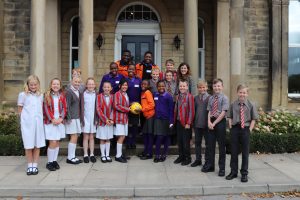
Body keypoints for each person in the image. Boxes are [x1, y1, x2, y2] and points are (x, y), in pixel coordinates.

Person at [226, 84, 258, 182]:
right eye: (240, 92)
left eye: (244, 92)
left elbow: (254, 119)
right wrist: (231, 127)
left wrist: (250, 130)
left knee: (245, 153)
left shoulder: (251, 105)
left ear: (247, 94)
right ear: (237, 93)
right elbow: (230, 116)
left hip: (246, 129)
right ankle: (233, 172)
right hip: (235, 129)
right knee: (234, 152)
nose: (242, 94)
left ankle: (244, 173)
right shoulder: (233, 104)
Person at [17, 75, 45, 175]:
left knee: (37, 145)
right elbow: (20, 109)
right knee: (28, 145)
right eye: (31, 84)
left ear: (38, 85)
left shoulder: (40, 95)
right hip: (27, 124)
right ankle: (29, 166)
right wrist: (22, 122)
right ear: (28, 85)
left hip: (38, 123)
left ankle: (35, 166)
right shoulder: (23, 95)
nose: (33, 86)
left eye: (35, 84)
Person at [202, 78, 229, 177]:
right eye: (215, 86)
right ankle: (210, 165)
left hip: (220, 122)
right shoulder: (211, 98)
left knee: (221, 147)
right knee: (210, 145)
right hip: (211, 122)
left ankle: (222, 168)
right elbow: (209, 110)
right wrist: (209, 121)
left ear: (222, 87)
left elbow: (223, 112)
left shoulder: (225, 98)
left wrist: (214, 123)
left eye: (218, 86)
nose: (216, 88)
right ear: (212, 87)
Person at [44, 78, 67, 171]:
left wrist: (61, 118)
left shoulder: (62, 96)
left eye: (57, 84)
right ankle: (49, 162)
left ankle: (54, 161)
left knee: (57, 142)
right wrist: (52, 119)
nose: (56, 86)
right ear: (51, 85)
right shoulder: (47, 95)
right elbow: (46, 108)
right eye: (54, 84)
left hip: (59, 121)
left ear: (60, 86)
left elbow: (65, 108)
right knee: (52, 142)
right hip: (51, 122)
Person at [173, 80, 195, 166]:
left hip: (186, 122)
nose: (182, 88)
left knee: (186, 142)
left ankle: (187, 158)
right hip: (178, 121)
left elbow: (191, 111)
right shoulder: (178, 96)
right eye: (180, 86)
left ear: (187, 87)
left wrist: (188, 123)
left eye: (184, 86)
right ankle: (181, 156)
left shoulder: (190, 97)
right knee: (180, 141)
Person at [153, 80, 174, 162]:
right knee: (159, 137)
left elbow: (171, 110)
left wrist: (171, 122)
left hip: (167, 120)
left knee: (166, 137)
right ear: (157, 87)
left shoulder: (168, 96)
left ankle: (164, 154)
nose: (161, 87)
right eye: (159, 86)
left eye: (162, 86)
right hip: (158, 119)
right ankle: (157, 155)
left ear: (165, 87)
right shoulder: (155, 95)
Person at [191, 80, 210, 167]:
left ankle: (207, 160)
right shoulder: (195, 98)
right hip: (197, 124)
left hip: (206, 125)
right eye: (200, 87)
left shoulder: (210, 98)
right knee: (197, 143)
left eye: (203, 87)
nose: (202, 89)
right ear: (198, 88)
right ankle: (198, 159)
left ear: (206, 88)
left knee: (207, 144)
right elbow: (193, 111)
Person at [65, 76, 83, 164]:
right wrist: (68, 117)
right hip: (71, 118)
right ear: (72, 81)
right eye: (75, 82)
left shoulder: (79, 91)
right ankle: (70, 157)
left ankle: (73, 156)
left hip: (77, 117)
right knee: (73, 137)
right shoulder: (69, 92)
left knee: (75, 137)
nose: (77, 83)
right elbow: (67, 106)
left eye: (79, 82)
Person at [96, 81, 114, 163]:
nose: (106, 88)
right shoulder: (99, 97)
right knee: (102, 138)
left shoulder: (113, 97)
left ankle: (107, 155)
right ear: (102, 88)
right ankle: (103, 155)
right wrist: (105, 119)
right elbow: (98, 109)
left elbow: (114, 109)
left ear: (111, 88)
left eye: (108, 87)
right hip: (102, 122)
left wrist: (111, 119)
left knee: (108, 138)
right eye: (105, 87)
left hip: (110, 122)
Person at [80, 78, 98, 163]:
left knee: (91, 137)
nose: (91, 86)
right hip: (85, 118)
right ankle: (85, 154)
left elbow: (97, 108)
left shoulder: (97, 94)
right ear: (86, 85)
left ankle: (92, 154)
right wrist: (81, 119)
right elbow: (81, 107)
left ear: (94, 85)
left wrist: (96, 119)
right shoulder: (83, 94)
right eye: (89, 84)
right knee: (85, 137)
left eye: (92, 84)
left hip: (93, 119)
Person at [113, 78, 131, 163]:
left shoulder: (126, 94)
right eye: (123, 85)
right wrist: (127, 109)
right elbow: (116, 105)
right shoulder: (117, 94)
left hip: (125, 119)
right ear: (120, 86)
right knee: (121, 136)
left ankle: (120, 154)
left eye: (126, 85)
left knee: (123, 136)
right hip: (119, 118)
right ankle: (118, 156)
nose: (125, 86)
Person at [126, 64, 142, 149]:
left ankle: (133, 141)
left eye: (133, 69)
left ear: (135, 71)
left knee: (135, 125)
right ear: (127, 70)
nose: (131, 70)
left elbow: (141, 93)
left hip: (136, 106)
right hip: (127, 106)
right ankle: (128, 141)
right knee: (128, 125)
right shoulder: (124, 80)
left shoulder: (139, 80)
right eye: (129, 69)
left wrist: (138, 104)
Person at [139, 79, 155, 160]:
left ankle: (149, 153)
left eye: (145, 84)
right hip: (146, 117)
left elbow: (152, 105)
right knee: (145, 134)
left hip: (150, 116)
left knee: (149, 135)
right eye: (142, 84)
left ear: (148, 85)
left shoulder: (147, 92)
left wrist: (142, 110)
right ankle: (146, 151)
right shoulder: (143, 93)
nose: (143, 85)